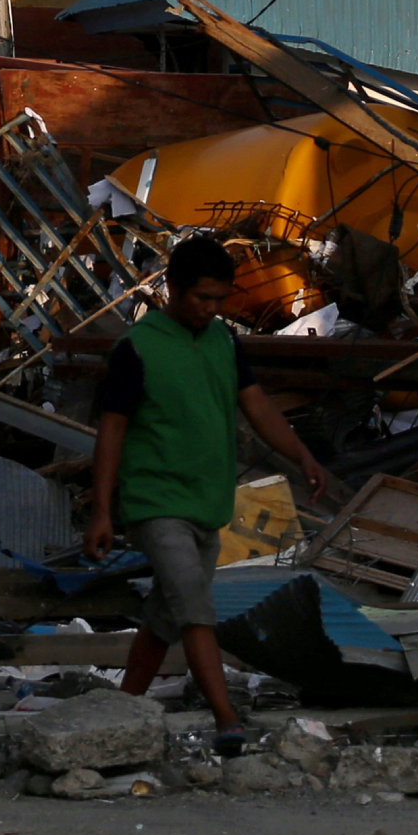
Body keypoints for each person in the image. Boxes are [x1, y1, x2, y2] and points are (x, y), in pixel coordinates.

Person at [83, 235, 338, 752]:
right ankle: (227, 720)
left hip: (208, 502)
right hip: (156, 504)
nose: (211, 309)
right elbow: (111, 432)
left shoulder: (224, 342)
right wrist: (103, 511)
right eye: (203, 298)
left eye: (219, 300)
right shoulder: (138, 348)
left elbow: (258, 406)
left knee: (165, 614)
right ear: (172, 289)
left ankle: (122, 709)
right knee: (196, 607)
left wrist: (302, 457)